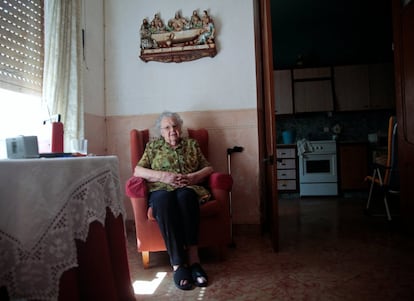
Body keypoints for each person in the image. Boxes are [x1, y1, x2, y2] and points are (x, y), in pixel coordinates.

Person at [133, 111, 212, 290]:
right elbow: (138, 170)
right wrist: (162, 176)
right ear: (160, 132)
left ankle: (194, 260)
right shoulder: (153, 147)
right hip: (161, 188)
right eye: (167, 127)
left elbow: (208, 167)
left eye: (175, 126)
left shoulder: (192, 144)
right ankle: (178, 264)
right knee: (163, 202)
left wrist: (193, 177)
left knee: (186, 197)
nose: (172, 130)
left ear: (180, 128)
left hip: (188, 187)